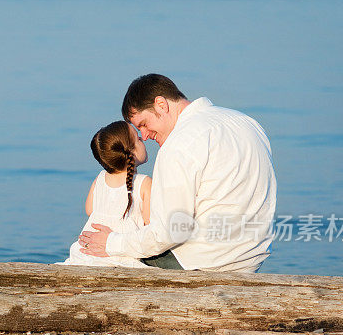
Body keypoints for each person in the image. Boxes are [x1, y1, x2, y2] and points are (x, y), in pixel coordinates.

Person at [78, 74, 276, 272]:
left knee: (103, 259)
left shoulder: (179, 144)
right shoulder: (246, 122)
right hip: (250, 259)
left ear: (161, 105)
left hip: (202, 262)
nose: (144, 136)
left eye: (143, 124)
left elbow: (169, 232)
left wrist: (113, 243)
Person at [59, 121, 151, 268]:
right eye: (138, 138)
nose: (142, 139)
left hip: (89, 251)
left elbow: (90, 210)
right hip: (121, 255)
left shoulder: (100, 178)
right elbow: (150, 225)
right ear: (131, 152)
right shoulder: (144, 183)